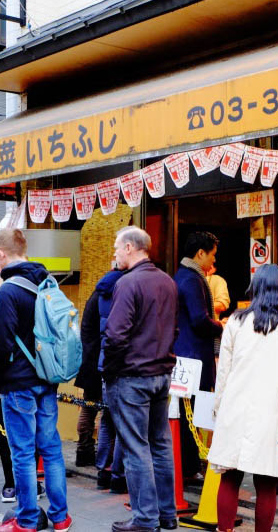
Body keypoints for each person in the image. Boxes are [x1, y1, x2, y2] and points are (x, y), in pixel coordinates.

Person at [208, 264, 278, 532]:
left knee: (229, 478)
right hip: (270, 416)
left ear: (255, 289)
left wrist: (218, 410)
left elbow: (222, 374)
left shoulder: (235, 322)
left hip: (234, 410)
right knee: (267, 484)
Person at [0, 228, 72, 532]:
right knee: (50, 449)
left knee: (22, 453)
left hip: (18, 383)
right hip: (47, 377)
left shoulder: (9, 290)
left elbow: (1, 342)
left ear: (0, 253)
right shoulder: (47, 281)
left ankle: (25, 520)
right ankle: (60, 517)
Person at [103, 227, 178, 532]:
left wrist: (109, 370)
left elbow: (115, 335)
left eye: (118, 248)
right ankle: (166, 514)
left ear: (131, 247)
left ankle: (145, 518)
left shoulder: (128, 282)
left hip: (132, 375)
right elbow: (173, 328)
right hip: (161, 373)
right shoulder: (168, 282)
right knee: (160, 444)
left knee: (136, 447)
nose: (115, 253)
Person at [0, 277, 45, 504]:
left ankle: (11, 485)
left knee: (6, 429)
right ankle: (30, 488)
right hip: (36, 371)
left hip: (4, 372)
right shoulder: (36, 292)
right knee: (33, 430)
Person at [174, 231, 223, 481]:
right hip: (193, 357)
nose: (213, 261)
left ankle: (188, 464)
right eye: (212, 255)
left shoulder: (182, 275)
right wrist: (221, 326)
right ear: (200, 253)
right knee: (189, 414)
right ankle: (189, 467)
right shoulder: (192, 279)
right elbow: (199, 320)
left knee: (186, 413)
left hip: (184, 354)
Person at [93, 269, 127, 494]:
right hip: (122, 362)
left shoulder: (103, 289)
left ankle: (103, 471)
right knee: (124, 421)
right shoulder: (125, 288)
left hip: (105, 360)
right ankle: (118, 475)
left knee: (107, 418)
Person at [75, 286, 102, 468]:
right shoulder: (104, 298)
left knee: (89, 406)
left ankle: (83, 450)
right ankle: (86, 450)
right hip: (97, 360)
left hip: (89, 359)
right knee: (95, 408)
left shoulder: (95, 296)